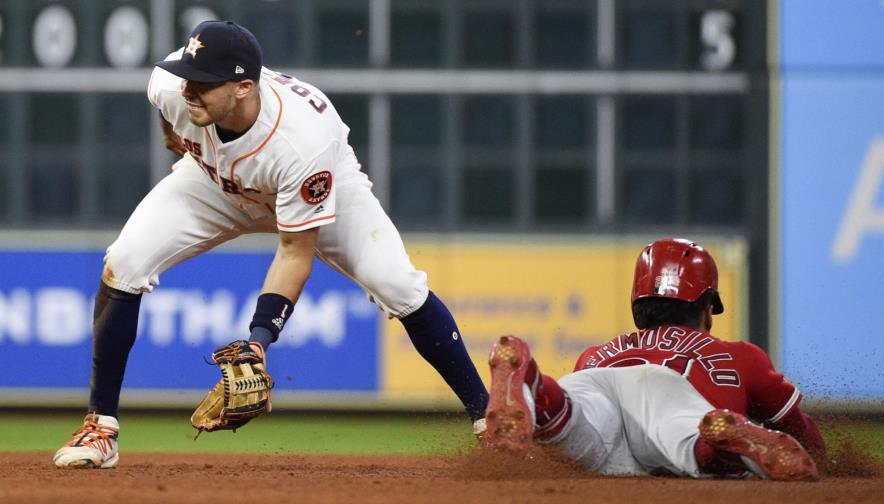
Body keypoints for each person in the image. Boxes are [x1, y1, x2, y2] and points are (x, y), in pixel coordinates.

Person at [53, 20, 489, 469]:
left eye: (203, 82)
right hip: (213, 185)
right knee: (123, 263)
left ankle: (487, 418)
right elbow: (170, 107)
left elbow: (294, 252)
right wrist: (173, 136)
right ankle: (100, 427)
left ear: (243, 87)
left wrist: (259, 341)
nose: (189, 89)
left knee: (399, 285)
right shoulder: (171, 87)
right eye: (187, 75)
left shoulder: (301, 143)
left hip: (317, 185)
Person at [483, 238, 825, 480]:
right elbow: (800, 431)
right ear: (707, 309)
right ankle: (720, 443)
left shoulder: (596, 353)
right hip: (665, 393)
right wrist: (819, 456)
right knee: (687, 443)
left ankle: (539, 389)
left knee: (575, 429)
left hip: (595, 379)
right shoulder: (741, 356)